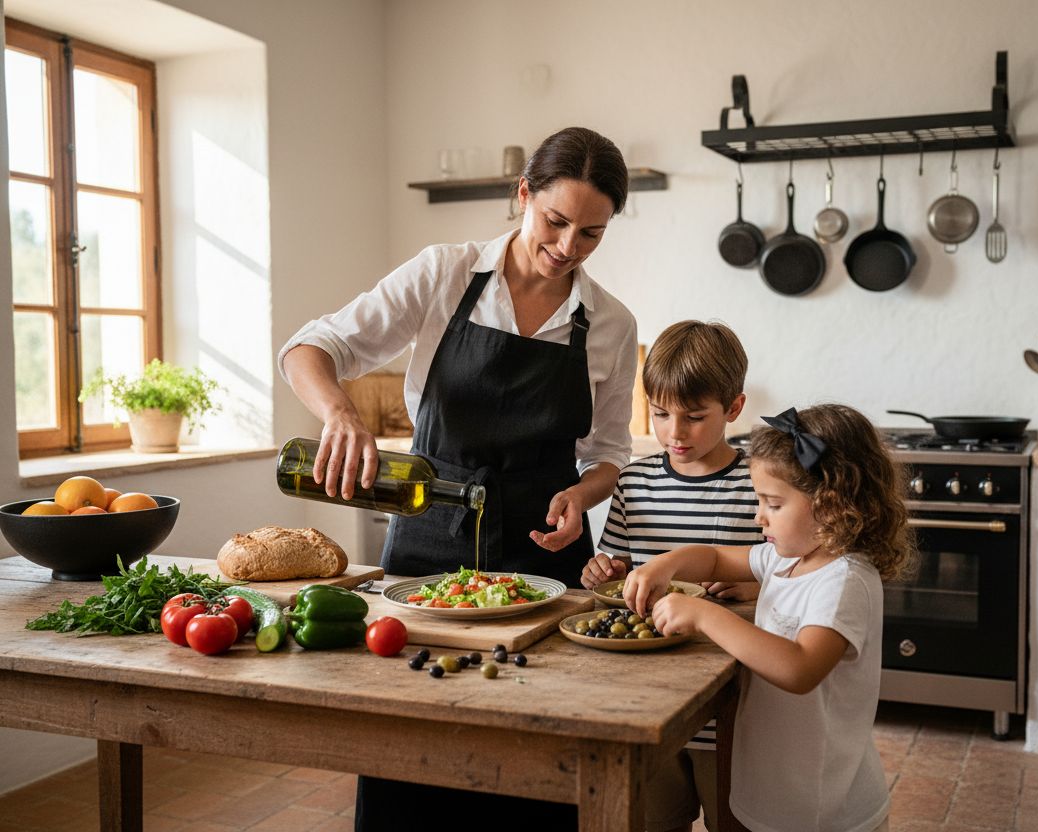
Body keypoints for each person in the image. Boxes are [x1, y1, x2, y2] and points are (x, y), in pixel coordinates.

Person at [278, 126, 637, 829]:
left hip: (543, 555)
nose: (568, 246)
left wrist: (581, 493)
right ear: (523, 194)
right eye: (555, 221)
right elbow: (310, 347)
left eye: (591, 234)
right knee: (410, 741)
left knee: (540, 751)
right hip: (430, 543)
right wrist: (341, 414)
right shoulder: (443, 274)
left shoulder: (610, 324)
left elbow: (609, 454)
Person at [623, 404, 914, 832]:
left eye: (773, 504)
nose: (759, 515)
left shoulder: (844, 581)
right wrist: (665, 564)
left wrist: (704, 615)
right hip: (774, 790)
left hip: (825, 808)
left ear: (831, 504)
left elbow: (799, 668)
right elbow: (716, 557)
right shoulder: (788, 559)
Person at [580, 319, 762, 832]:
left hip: (730, 700)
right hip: (646, 695)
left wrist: (755, 584)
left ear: (734, 408)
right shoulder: (634, 482)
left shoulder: (761, 483)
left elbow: (788, 573)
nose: (675, 433)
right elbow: (616, 568)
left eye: (694, 417)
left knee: (734, 819)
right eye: (660, 414)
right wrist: (602, 570)